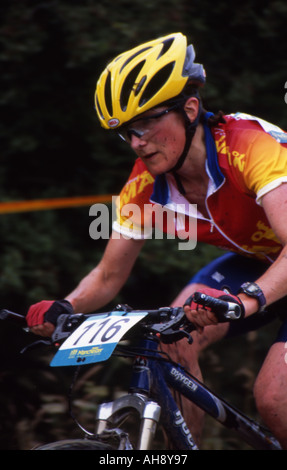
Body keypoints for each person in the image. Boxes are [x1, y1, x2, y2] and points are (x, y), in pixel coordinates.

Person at [26, 33, 287, 448]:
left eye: (147, 122)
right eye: (128, 131)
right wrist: (66, 306)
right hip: (260, 263)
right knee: (170, 334)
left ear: (189, 108)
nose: (136, 141)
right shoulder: (145, 181)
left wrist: (248, 300)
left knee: (274, 399)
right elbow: (109, 275)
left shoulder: (247, 147)